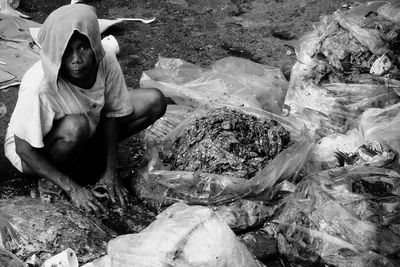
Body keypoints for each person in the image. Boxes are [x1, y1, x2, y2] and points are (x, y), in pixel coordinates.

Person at [3, 4, 167, 212]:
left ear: (94, 46)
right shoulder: (39, 85)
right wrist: (73, 189)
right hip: (35, 149)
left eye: (82, 47)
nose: (76, 60)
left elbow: (111, 114)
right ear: (55, 52)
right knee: (75, 126)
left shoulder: (105, 58)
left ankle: (86, 158)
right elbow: (23, 149)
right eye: (66, 51)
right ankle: (51, 180)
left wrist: (110, 172)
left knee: (154, 101)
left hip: (89, 122)